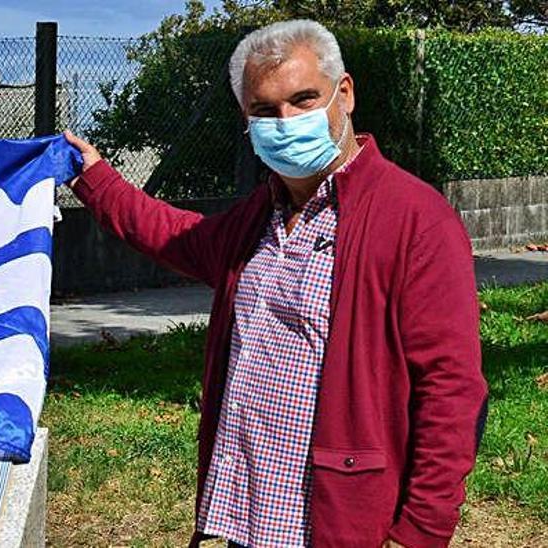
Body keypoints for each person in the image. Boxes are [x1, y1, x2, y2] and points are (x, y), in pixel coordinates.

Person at [64, 20, 486, 548]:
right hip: (251, 513)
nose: (286, 122)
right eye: (265, 110)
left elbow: (451, 389)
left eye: (304, 99)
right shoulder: (257, 217)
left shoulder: (415, 220)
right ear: (247, 119)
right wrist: (94, 177)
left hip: (340, 520)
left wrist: (421, 531)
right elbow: (172, 234)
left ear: (345, 94)